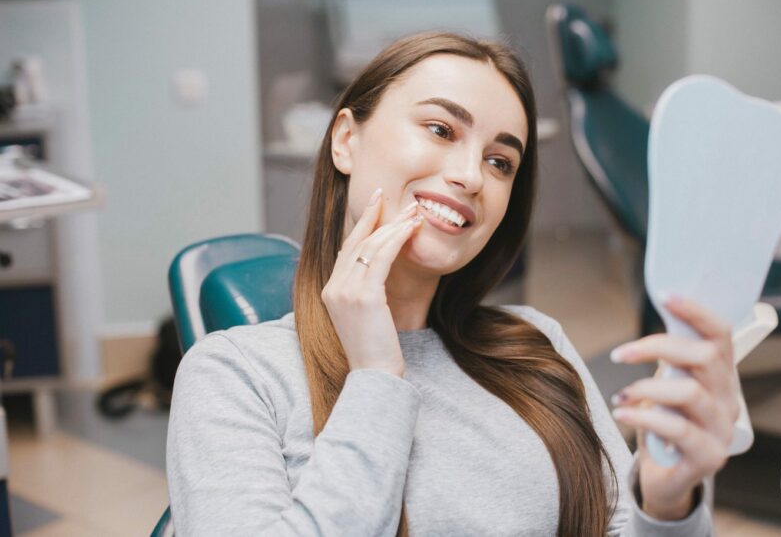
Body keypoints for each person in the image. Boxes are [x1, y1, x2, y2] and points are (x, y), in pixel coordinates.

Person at [167, 32, 738, 536]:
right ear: (346, 139)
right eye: (441, 129)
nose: (470, 176)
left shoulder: (538, 346)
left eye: (500, 163)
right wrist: (374, 377)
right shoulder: (235, 374)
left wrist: (666, 505)